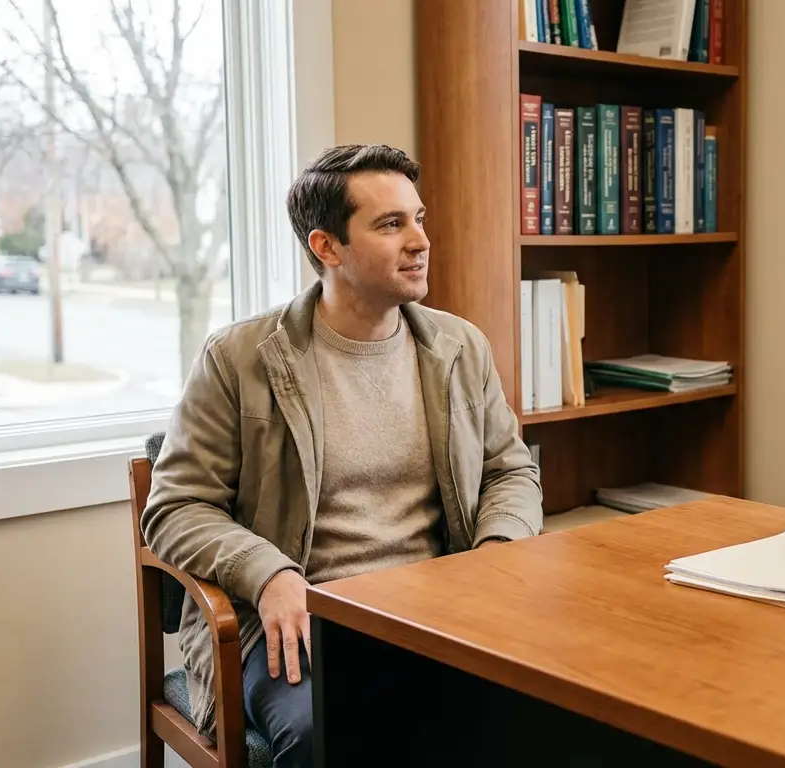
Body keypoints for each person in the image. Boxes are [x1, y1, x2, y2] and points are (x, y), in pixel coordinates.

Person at [143, 143, 543, 766]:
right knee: (328, 734)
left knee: (558, 709)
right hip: (293, 627)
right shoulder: (238, 359)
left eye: (419, 218)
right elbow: (175, 507)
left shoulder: (461, 346)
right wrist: (268, 572)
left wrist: (494, 560)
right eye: (391, 224)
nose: (419, 240)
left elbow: (509, 470)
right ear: (326, 247)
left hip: (439, 615)